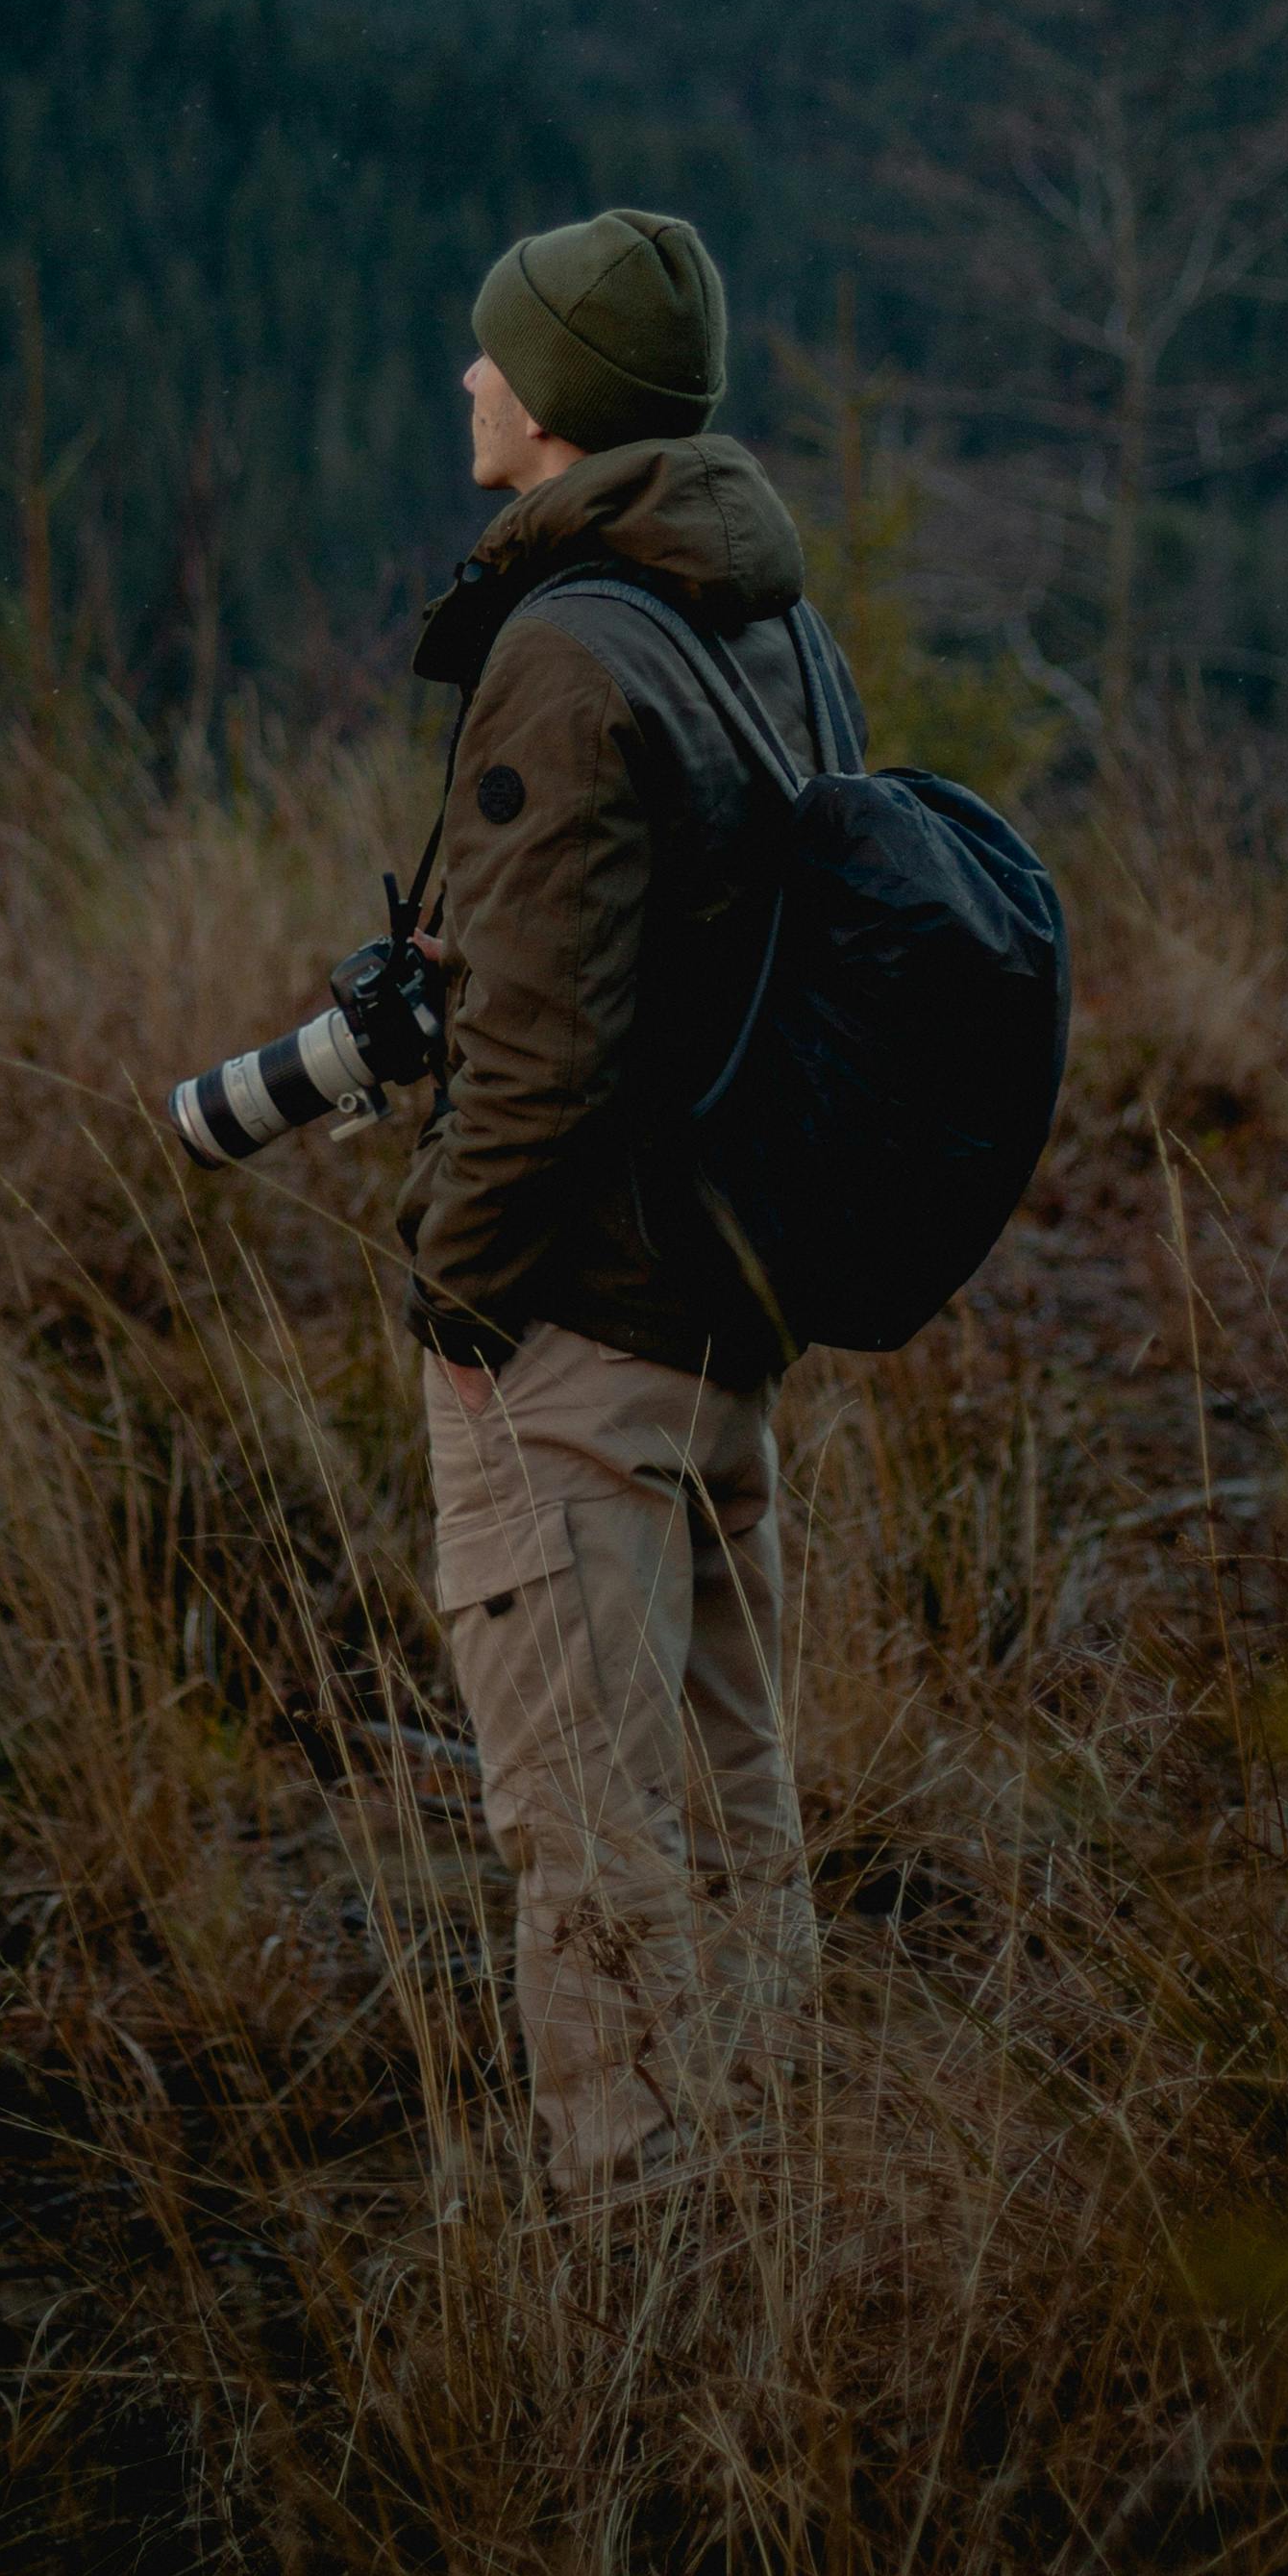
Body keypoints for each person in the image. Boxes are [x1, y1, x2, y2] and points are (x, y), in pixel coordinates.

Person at [396, 202, 859, 2190]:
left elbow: (540, 1049)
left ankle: (640, 2251)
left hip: (576, 1328)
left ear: (566, 404)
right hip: (729, 1301)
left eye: (498, 354)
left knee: (581, 1826)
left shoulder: (567, 654)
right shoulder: (765, 618)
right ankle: (778, 2201)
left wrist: (448, 1295)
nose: (471, 379)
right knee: (732, 1794)